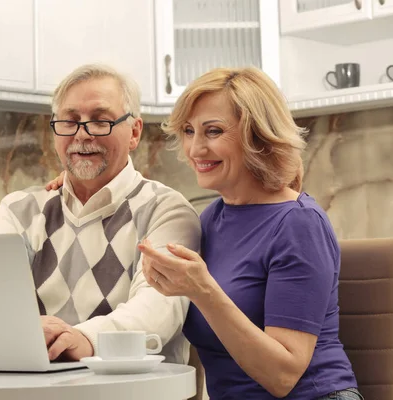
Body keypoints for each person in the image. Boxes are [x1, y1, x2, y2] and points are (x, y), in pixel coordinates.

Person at [135, 67, 362, 399]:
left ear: (258, 136)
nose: (195, 149)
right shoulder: (212, 218)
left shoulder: (299, 224)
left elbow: (283, 376)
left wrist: (203, 292)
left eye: (212, 131)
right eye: (188, 131)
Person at [0, 64, 201, 364]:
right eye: (70, 120)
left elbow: (157, 310)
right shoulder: (18, 210)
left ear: (134, 132)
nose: (82, 134)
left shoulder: (167, 210)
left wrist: (84, 339)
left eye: (100, 121)